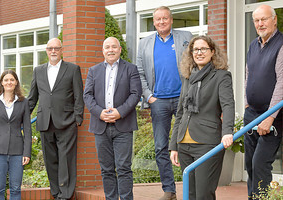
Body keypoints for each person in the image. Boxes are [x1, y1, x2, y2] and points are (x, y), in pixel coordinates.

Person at [136, 6, 193, 200]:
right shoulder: (144, 43)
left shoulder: (186, 37)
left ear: (171, 20)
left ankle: (190, 188)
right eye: (158, 19)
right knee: (161, 146)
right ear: (154, 21)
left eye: (165, 18)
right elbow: (140, 73)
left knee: (187, 143)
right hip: (158, 101)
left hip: (182, 100)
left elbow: (195, 65)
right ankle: (169, 190)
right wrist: (149, 97)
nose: (162, 22)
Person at [169, 35, 235, 200]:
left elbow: (228, 105)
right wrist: (174, 145)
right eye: (195, 49)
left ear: (212, 52)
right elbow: (180, 112)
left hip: (207, 143)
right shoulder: (187, 78)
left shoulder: (221, 76)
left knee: (204, 195)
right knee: (190, 194)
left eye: (203, 49)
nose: (199, 52)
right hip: (184, 143)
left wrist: (228, 131)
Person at [83, 37, 142, 200]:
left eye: (114, 47)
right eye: (107, 47)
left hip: (123, 126)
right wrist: (99, 112)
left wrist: (120, 112)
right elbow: (87, 95)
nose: (110, 50)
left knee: (123, 168)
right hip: (100, 126)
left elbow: (136, 94)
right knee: (106, 169)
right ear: (103, 51)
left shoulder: (131, 69)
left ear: (120, 49)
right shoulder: (93, 71)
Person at [28, 38, 84, 200]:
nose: (53, 51)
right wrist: (22, 116)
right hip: (45, 122)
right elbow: (32, 98)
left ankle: (65, 195)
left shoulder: (72, 69)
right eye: (50, 48)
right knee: (50, 160)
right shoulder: (38, 71)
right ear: (46, 50)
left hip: (67, 122)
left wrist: (77, 118)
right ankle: (56, 192)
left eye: (56, 48)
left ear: (61, 50)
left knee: (66, 160)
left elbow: (78, 96)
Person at [244, 5, 283, 199]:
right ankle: (254, 197)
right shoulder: (253, 45)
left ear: (274, 20)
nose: (260, 24)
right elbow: (248, 74)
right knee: (250, 162)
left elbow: (282, 83)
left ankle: (262, 198)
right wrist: (245, 102)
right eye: (257, 20)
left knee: (260, 163)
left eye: (264, 19)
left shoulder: (281, 44)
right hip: (251, 113)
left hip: (273, 116)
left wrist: (269, 118)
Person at [0, 70, 32, 200]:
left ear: (16, 82)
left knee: (16, 189)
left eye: (12, 80)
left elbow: (27, 130)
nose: (9, 82)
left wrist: (26, 153)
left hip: (18, 152)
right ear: (2, 82)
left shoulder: (24, 102)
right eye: (6, 80)